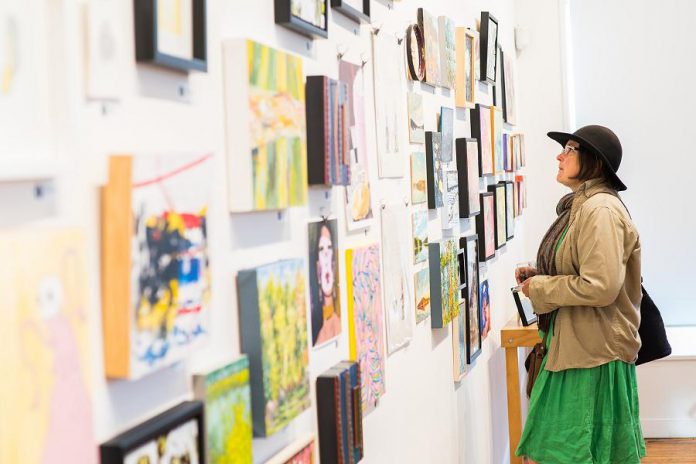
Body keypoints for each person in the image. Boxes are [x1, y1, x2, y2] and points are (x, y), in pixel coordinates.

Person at [514, 125, 646, 463]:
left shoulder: (599, 210)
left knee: (571, 454)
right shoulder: (584, 206)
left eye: (570, 149)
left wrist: (542, 287)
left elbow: (600, 286)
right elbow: (584, 271)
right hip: (580, 347)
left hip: (592, 354)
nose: (559, 155)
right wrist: (540, 276)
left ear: (595, 163)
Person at [311, 222, 341, 346]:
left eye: (329, 247)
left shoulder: (338, 323)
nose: (326, 253)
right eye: (321, 248)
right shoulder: (317, 330)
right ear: (317, 266)